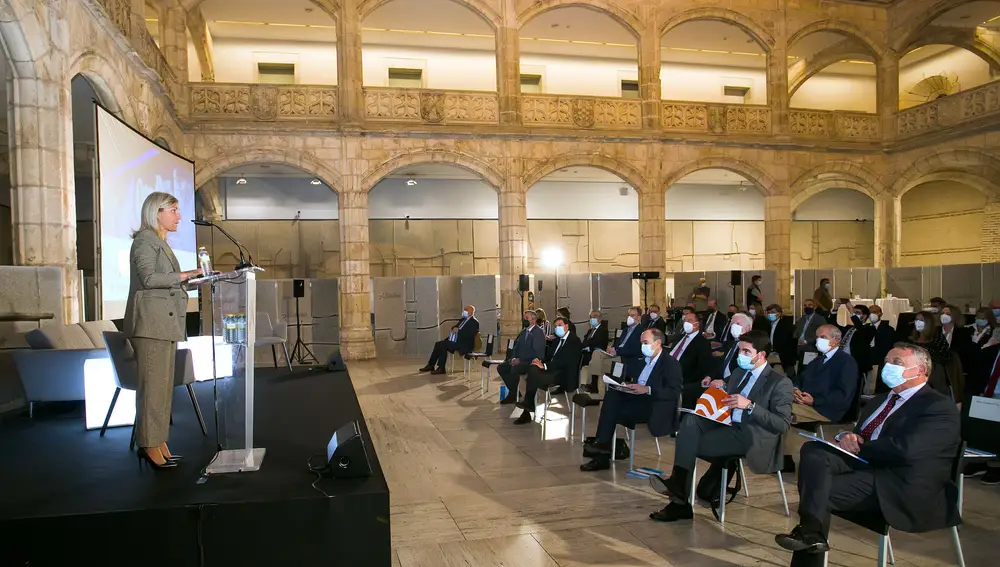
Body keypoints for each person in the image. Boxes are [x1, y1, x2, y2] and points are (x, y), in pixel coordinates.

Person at [775, 343, 962, 563]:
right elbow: (859, 435)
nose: (888, 367)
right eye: (887, 362)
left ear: (920, 370)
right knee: (813, 450)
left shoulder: (938, 406)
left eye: (897, 363)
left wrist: (862, 446)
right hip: (868, 463)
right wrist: (847, 437)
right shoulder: (881, 399)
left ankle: (809, 534)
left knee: (818, 491)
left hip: (901, 480)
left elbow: (907, 450)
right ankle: (812, 533)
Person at [647, 330, 794, 521]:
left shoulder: (780, 382)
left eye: (746, 352)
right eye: (740, 351)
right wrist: (720, 392)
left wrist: (750, 406)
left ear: (761, 355)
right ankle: (679, 491)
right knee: (690, 421)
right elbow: (729, 401)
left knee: (688, 443)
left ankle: (679, 498)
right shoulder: (739, 372)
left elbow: (782, 424)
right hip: (728, 424)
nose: (740, 356)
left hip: (752, 435)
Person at [125, 192, 204, 470]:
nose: (179, 215)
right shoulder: (145, 240)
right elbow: (148, 279)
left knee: (162, 390)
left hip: (164, 324)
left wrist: (194, 279)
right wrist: (184, 276)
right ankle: (148, 445)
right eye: (174, 210)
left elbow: (166, 282)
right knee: (153, 390)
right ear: (157, 212)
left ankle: (159, 441)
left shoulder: (160, 242)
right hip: (151, 325)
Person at [579, 329, 682, 471]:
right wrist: (624, 385)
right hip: (636, 398)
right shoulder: (643, 360)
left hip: (653, 404)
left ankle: (601, 449)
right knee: (612, 396)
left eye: (645, 343)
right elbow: (632, 377)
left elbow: (673, 391)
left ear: (658, 343)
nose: (642, 346)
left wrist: (648, 389)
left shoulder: (670, 363)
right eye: (641, 343)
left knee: (611, 411)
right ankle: (602, 448)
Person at [515, 317, 583, 424]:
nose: (557, 328)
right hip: (552, 370)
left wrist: (544, 366)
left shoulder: (574, 341)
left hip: (562, 374)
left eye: (559, 325)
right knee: (532, 368)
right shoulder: (556, 340)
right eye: (555, 326)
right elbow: (549, 356)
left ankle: (528, 408)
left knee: (533, 375)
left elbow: (564, 361)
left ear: (566, 326)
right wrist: (539, 361)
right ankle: (528, 406)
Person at [498, 311, 546, 405]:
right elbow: (516, 347)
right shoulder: (524, 331)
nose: (524, 320)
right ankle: (514, 391)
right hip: (519, 359)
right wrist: (513, 358)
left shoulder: (538, 333)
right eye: (524, 318)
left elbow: (537, 353)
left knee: (514, 368)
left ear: (533, 320)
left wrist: (521, 360)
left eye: (526, 318)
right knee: (502, 367)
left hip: (530, 362)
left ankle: (513, 395)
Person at [419, 304, 479, 375]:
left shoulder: (474, 322)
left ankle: (441, 368)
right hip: (456, 341)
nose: (464, 311)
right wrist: (454, 328)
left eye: (466, 310)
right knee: (438, 344)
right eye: (464, 310)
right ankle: (431, 365)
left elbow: (470, 335)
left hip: (464, 344)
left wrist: (459, 331)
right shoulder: (463, 320)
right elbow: (455, 327)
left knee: (443, 345)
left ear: (471, 311)